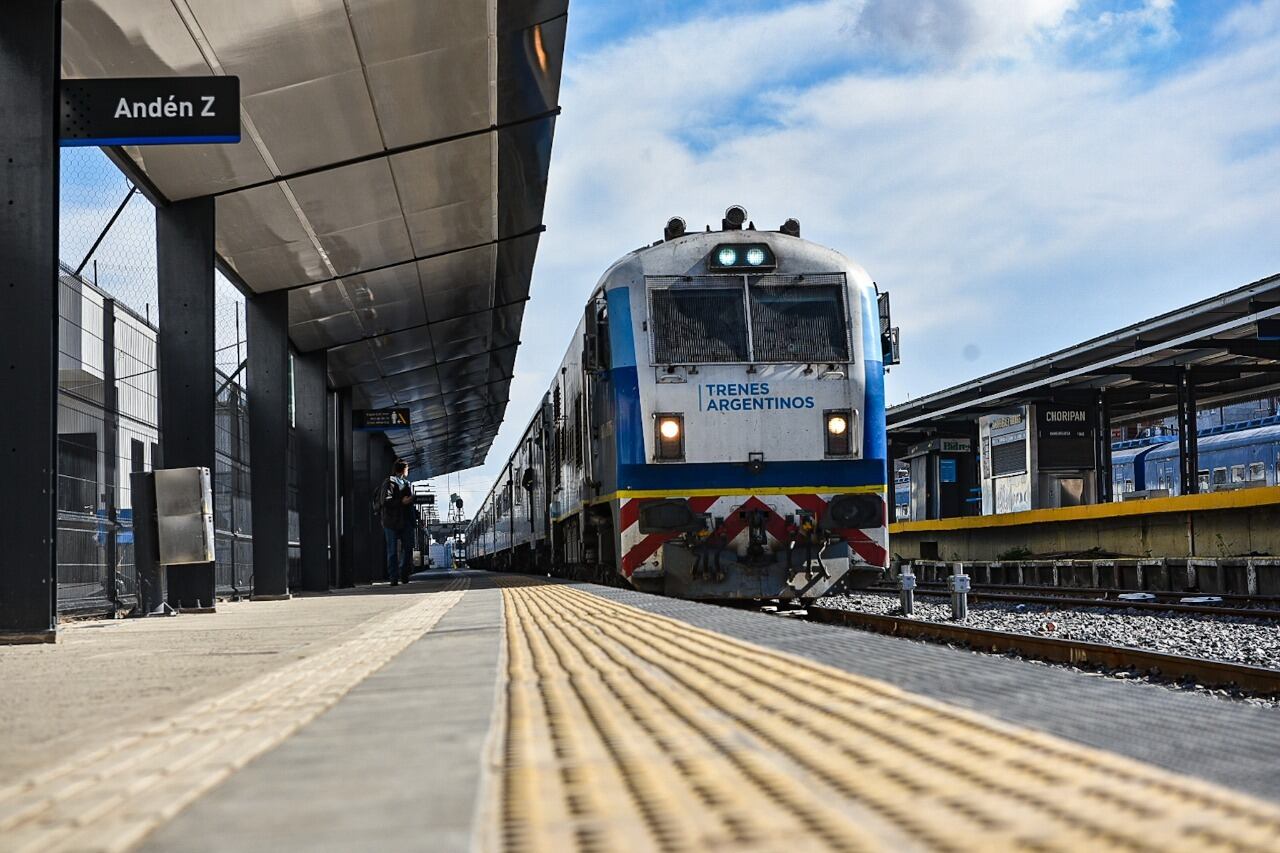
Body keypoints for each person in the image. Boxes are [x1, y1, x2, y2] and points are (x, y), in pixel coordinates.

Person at [379, 460, 414, 586]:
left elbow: (410, 504)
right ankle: (393, 577)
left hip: (405, 521)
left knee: (408, 548)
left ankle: (404, 574)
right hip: (391, 521)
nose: (408, 471)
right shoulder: (389, 482)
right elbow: (385, 501)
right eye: (407, 468)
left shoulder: (407, 484)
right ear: (403, 469)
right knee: (392, 551)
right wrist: (402, 502)